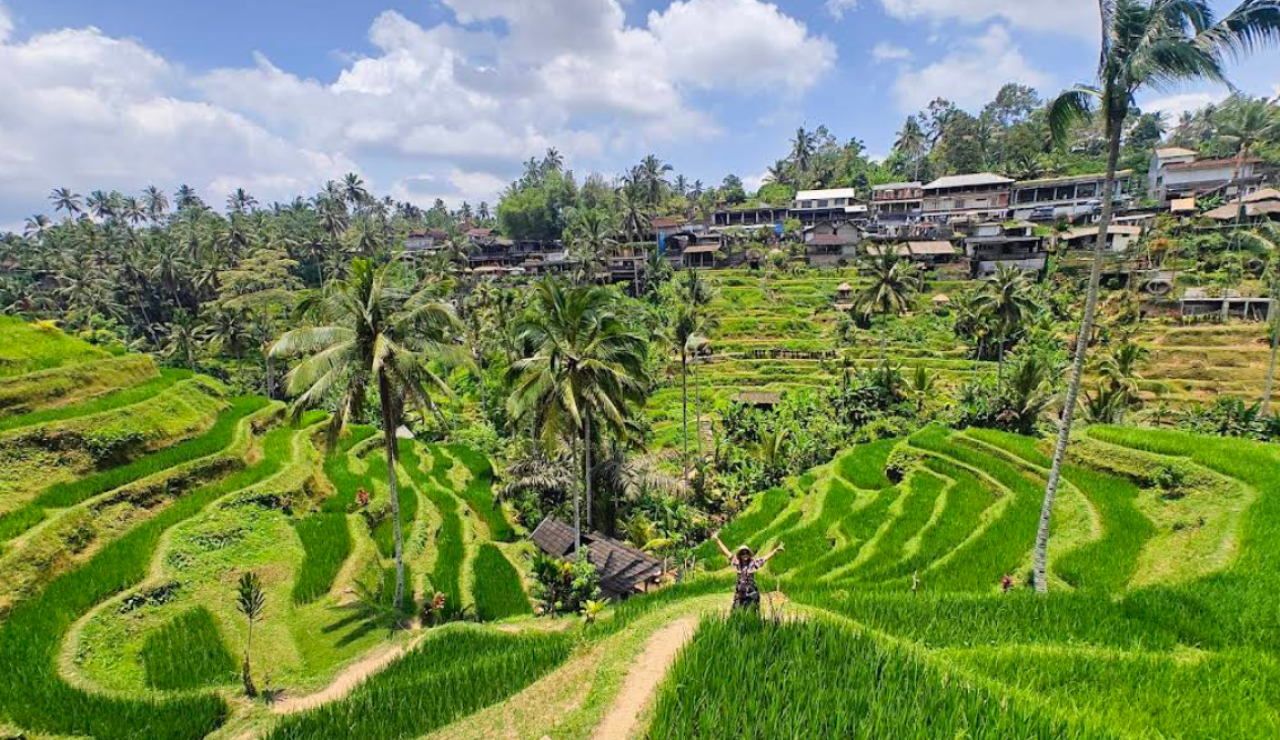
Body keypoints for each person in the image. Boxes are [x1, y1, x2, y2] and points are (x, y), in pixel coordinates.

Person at [711, 531, 784, 611]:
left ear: (749, 554)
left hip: (751, 592)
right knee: (736, 612)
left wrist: (775, 551)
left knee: (752, 612)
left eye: (746, 553)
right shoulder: (737, 562)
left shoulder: (753, 563)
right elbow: (726, 552)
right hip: (740, 593)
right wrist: (717, 540)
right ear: (740, 555)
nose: (744, 555)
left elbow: (764, 558)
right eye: (742, 553)